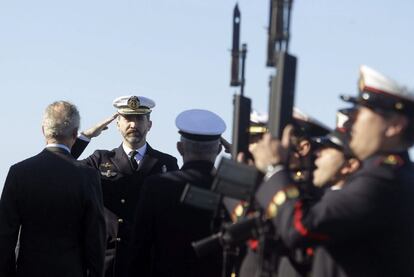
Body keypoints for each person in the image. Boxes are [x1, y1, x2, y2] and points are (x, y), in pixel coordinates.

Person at [253, 65, 414, 276]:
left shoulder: (383, 178)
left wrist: (274, 169)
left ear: (394, 125)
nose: (352, 121)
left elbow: (302, 228)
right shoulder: (390, 174)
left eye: (360, 113)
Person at [71, 95, 179, 277]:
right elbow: (64, 166)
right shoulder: (100, 159)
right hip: (110, 263)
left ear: (149, 125)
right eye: (128, 119)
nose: (134, 125)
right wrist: (85, 137)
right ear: (118, 124)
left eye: (139, 119)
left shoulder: (166, 163)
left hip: (149, 262)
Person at [0, 101, 106, 277]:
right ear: (74, 133)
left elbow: (5, 235)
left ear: (43, 130)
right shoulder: (88, 176)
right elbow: (95, 238)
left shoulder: (19, 173)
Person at [128, 109, 226, 277]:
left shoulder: (157, 186)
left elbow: (140, 248)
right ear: (219, 150)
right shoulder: (231, 191)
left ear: (180, 148)